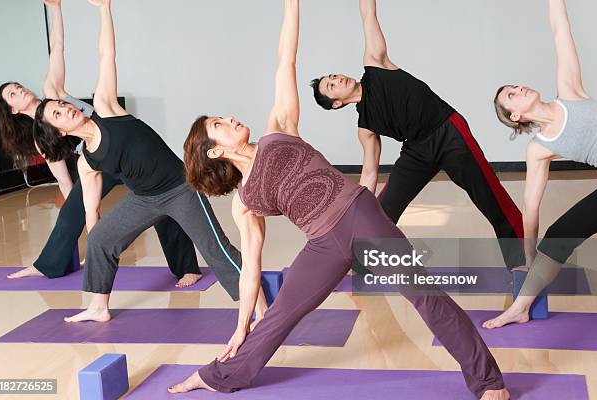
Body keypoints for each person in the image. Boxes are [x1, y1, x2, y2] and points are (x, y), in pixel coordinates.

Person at [171, 1, 509, 399]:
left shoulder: (279, 128)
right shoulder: (244, 200)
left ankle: (488, 382)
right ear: (214, 153)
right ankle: (218, 376)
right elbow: (251, 270)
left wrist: (291, 5)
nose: (229, 120)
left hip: (360, 216)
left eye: (223, 117)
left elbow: (286, 60)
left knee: (425, 294)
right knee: (280, 316)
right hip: (322, 246)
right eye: (219, 125)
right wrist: (241, 325)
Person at [32, 0, 259, 323]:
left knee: (214, 248)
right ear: (58, 131)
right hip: (143, 200)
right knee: (98, 238)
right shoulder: (88, 163)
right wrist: (106, 241)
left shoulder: (106, 107)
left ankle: (258, 306)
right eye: (57, 113)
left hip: (182, 188)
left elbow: (106, 56)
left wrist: (104, 9)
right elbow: (92, 214)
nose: (65, 108)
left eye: (60, 105)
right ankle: (98, 306)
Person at [0, 0, 201, 288]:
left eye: (18, 86)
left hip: (119, 149)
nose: (20, 90)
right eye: (13, 94)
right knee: (70, 212)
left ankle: (186, 267)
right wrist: (87, 221)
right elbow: (66, 182)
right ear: (13, 110)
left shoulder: (52, 91)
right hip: (93, 164)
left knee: (160, 197)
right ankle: (51, 265)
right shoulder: (43, 140)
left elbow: (58, 47)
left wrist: (55, 10)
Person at [310, 0, 524, 272]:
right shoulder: (365, 127)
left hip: (448, 132)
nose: (337, 78)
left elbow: (368, 14)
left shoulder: (376, 65)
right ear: (336, 103)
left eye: (333, 75)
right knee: (382, 211)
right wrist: (359, 210)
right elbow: (369, 172)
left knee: (488, 196)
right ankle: (361, 266)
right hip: (417, 151)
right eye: (331, 85)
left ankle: (521, 262)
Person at [484, 0, 597, 329]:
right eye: (511, 95)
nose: (518, 88)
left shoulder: (571, 92)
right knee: (560, 234)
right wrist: (530, 255)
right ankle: (520, 308)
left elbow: (560, 30)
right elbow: (530, 207)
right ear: (516, 116)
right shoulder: (540, 148)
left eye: (516, 86)